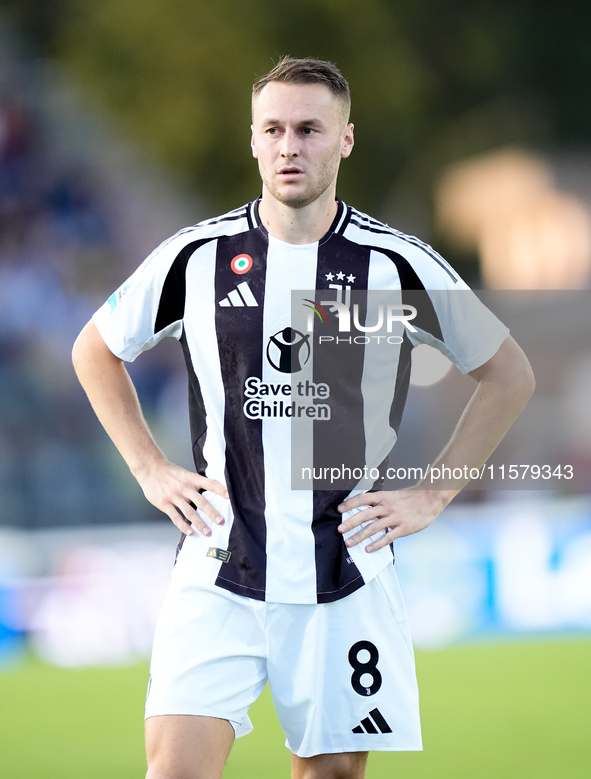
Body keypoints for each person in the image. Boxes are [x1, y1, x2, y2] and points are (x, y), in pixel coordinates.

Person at [72, 57, 535, 779]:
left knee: (330, 774)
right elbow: (96, 350)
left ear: (344, 140)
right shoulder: (196, 258)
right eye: (274, 129)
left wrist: (432, 493)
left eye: (309, 129)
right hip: (219, 561)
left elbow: (506, 372)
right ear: (253, 141)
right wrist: (149, 467)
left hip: (345, 571)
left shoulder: (394, 266)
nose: (290, 145)